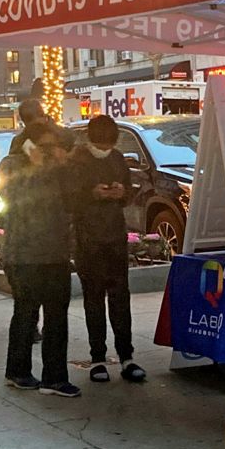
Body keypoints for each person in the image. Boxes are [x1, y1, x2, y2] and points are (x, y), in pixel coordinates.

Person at [1, 122, 77, 397]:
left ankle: (54, 376)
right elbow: (20, 198)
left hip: (54, 252)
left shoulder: (58, 170)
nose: (53, 152)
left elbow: (69, 199)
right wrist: (37, 165)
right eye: (46, 146)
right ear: (30, 144)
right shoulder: (12, 166)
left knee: (56, 315)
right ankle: (18, 371)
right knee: (26, 312)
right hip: (25, 254)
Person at [68, 115, 145, 383]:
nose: (105, 148)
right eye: (101, 143)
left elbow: (128, 194)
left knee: (120, 297)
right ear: (90, 139)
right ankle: (98, 358)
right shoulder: (77, 160)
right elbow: (70, 200)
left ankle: (127, 356)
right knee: (94, 298)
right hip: (88, 238)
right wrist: (93, 194)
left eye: (108, 144)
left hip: (114, 235)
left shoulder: (117, 158)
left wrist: (120, 192)